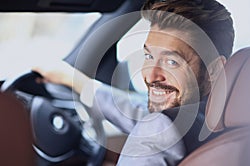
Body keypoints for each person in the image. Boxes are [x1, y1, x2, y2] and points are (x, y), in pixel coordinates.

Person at [33, 0, 234, 165]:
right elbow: (138, 112)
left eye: (172, 61)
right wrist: (76, 81)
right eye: (148, 56)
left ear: (214, 70)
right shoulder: (221, 117)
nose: (151, 75)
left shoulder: (159, 128)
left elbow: (155, 124)